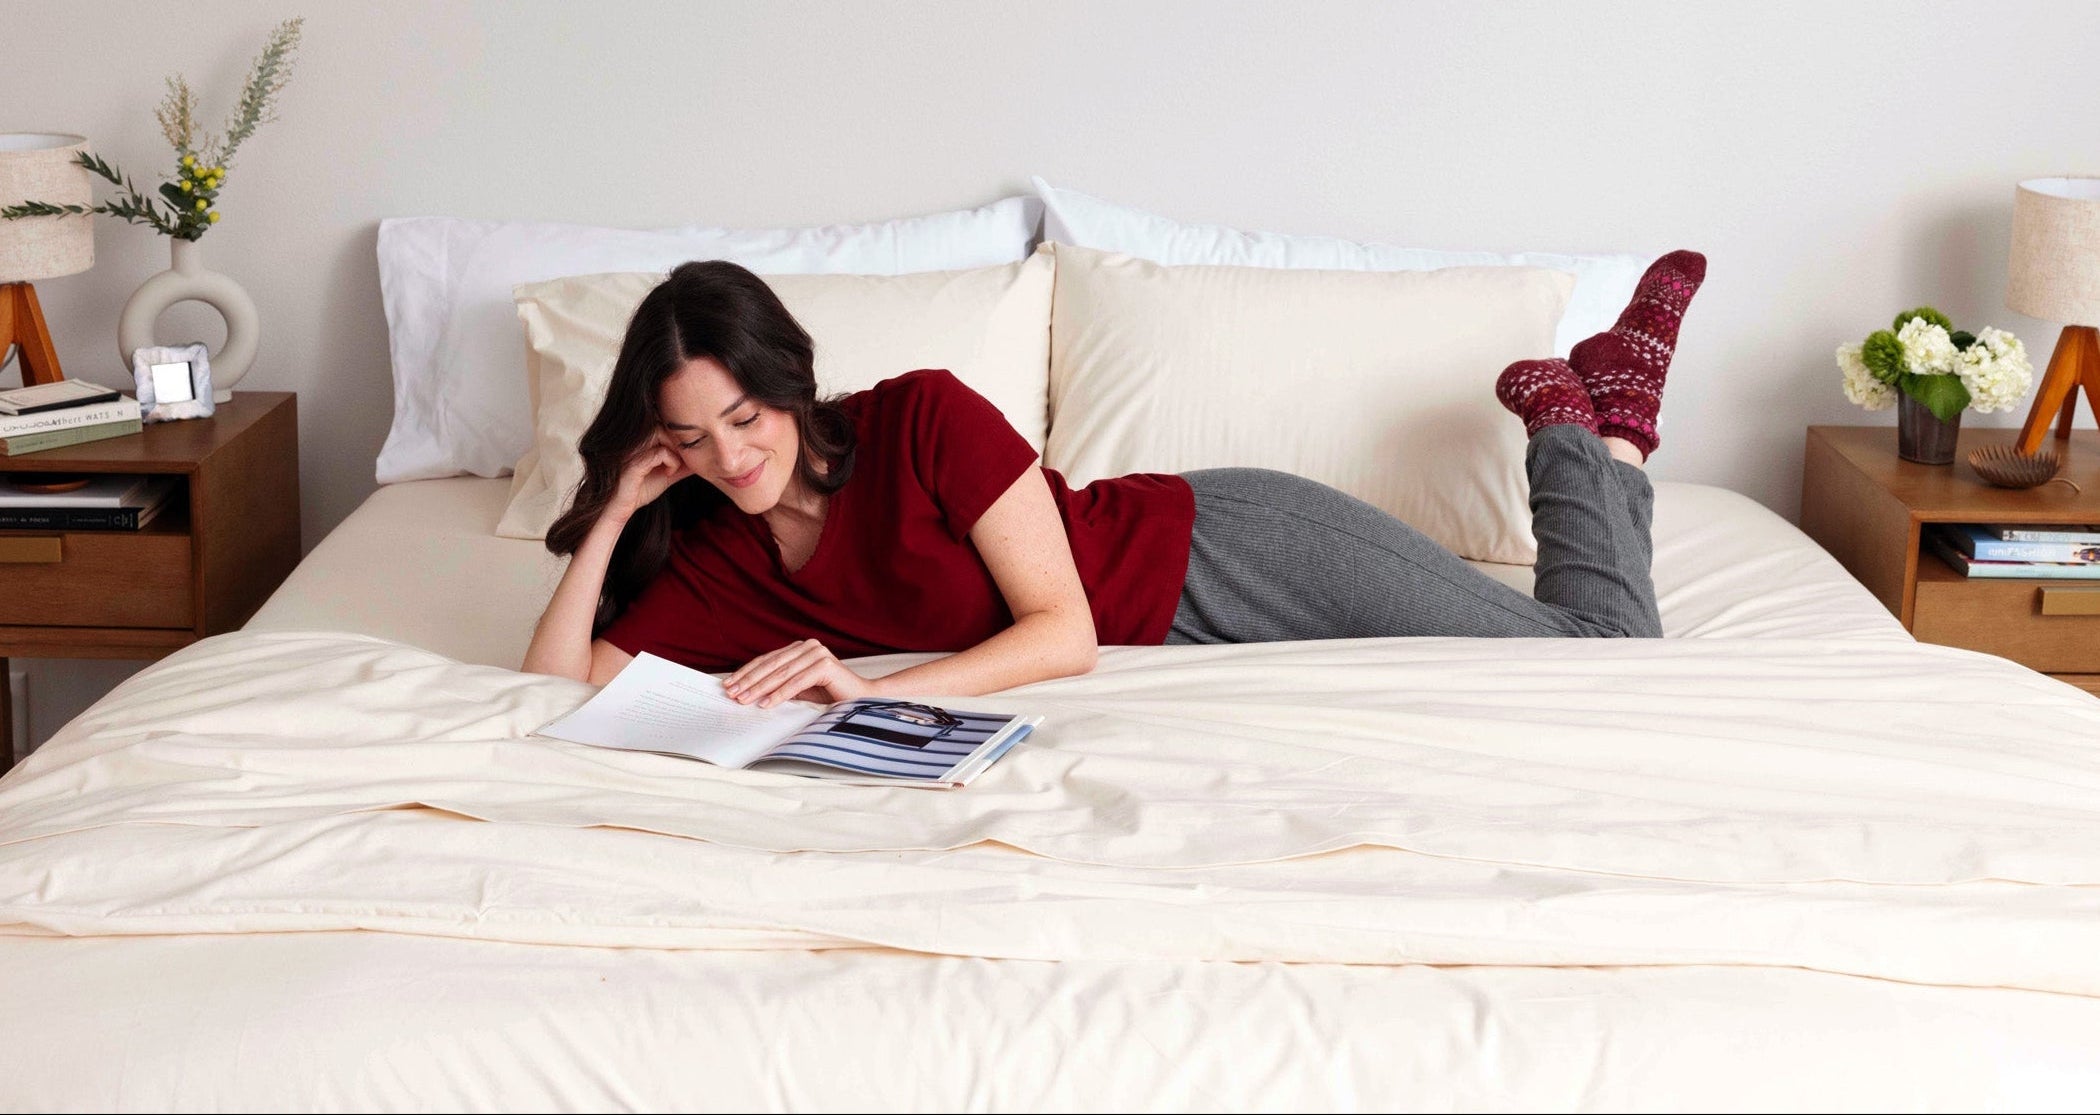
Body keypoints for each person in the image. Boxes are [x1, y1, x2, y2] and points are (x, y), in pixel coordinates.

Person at [523, 252, 1708, 709]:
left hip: (1226, 548)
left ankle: (1589, 437)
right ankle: (1615, 424)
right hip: (1192, 628)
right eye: (695, 436)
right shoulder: (722, 550)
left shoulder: (922, 414)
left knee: (1603, 658)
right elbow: (552, 682)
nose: (733, 456)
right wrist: (620, 509)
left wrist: (872, 695)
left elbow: (1065, 631)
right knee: (1593, 654)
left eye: (746, 414)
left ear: (788, 379)